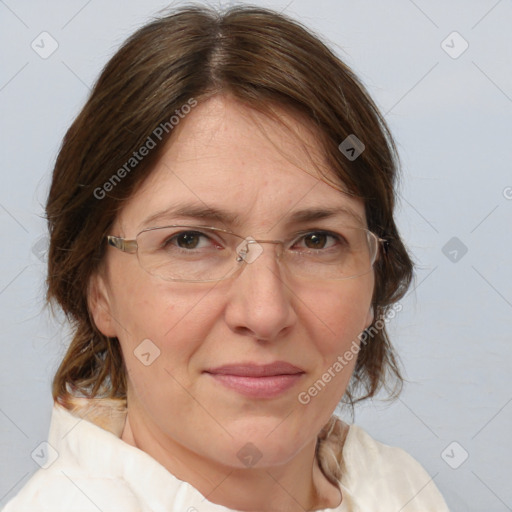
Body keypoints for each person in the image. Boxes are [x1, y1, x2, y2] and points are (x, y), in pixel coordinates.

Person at [3, 5, 449, 511]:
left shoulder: (399, 488)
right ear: (96, 287)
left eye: (318, 240)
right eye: (190, 240)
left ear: (376, 274)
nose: (265, 313)